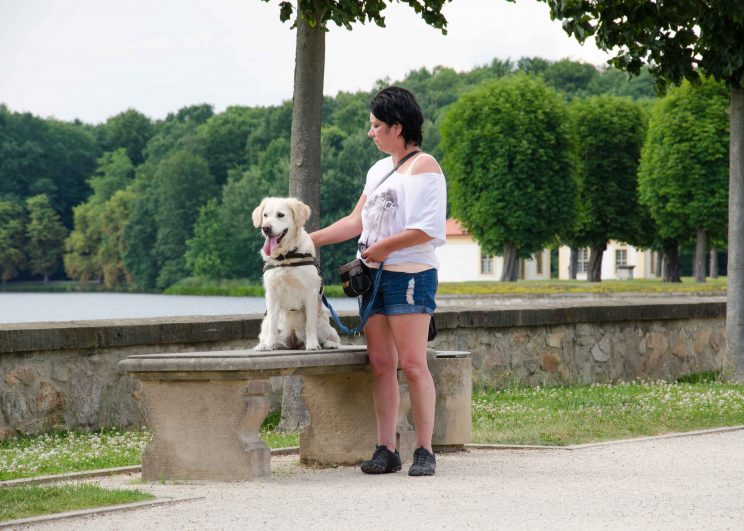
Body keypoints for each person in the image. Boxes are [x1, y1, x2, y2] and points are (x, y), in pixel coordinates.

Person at [309, 86, 447, 476]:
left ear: (397, 127)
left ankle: (425, 450)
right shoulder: (378, 169)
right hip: (371, 276)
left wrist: (384, 247)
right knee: (382, 363)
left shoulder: (425, 168)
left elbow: (427, 229)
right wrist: (308, 239)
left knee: (414, 364)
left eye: (375, 125)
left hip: (409, 274)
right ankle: (387, 448)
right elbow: (357, 222)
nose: (370, 132)